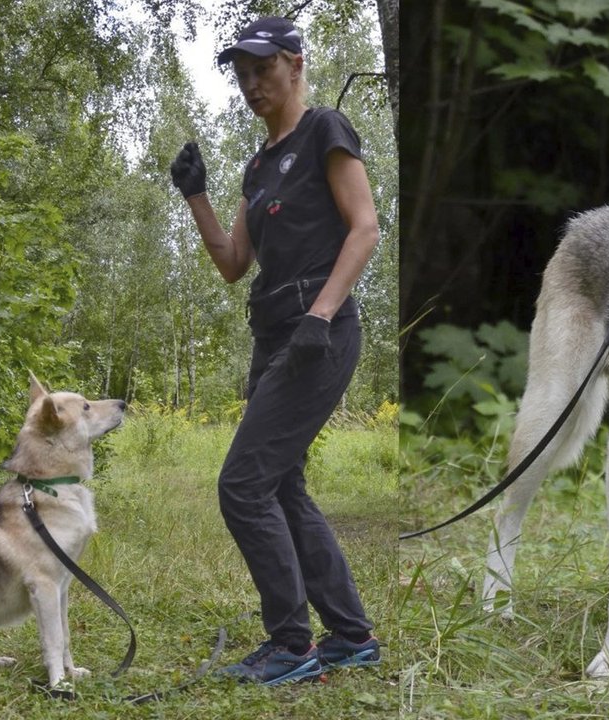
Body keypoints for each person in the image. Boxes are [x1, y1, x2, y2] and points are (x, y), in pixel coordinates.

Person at [169, 16, 382, 686]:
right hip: (272, 332)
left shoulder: (326, 130)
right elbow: (234, 263)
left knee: (242, 484)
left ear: (295, 64)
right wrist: (197, 195)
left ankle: (291, 645)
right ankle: (349, 636)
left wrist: (320, 317)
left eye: (263, 69)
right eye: (242, 74)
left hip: (318, 330)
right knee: (281, 485)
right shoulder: (257, 166)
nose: (251, 83)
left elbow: (366, 229)